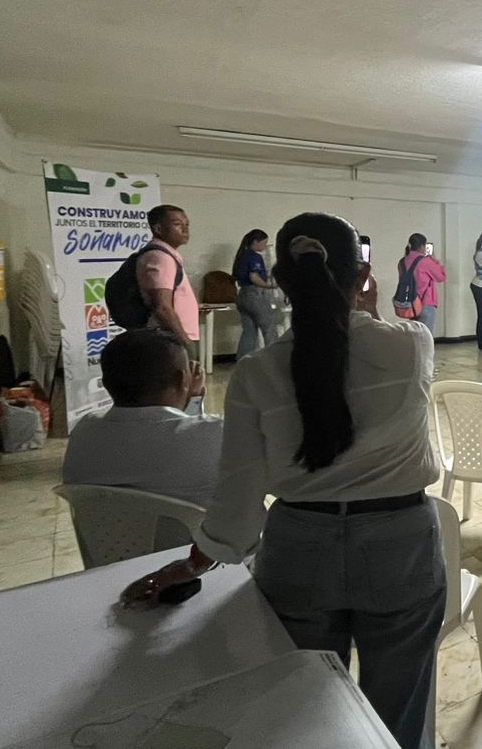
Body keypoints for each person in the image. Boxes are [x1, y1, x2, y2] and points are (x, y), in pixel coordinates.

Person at [120, 213, 444, 749]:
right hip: (400, 546)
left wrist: (195, 562)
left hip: (298, 550)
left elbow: (239, 493)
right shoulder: (412, 346)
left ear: (282, 284)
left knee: (305, 710)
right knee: (399, 708)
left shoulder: (254, 373)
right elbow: (365, 338)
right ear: (362, 278)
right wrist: (365, 306)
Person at [62, 328, 220, 506]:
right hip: (191, 526)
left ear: (105, 383)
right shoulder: (215, 434)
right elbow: (190, 433)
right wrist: (193, 400)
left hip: (103, 525)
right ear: (181, 379)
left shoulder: (84, 432)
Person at [138, 205, 199, 347]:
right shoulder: (161, 258)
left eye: (187, 224)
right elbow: (163, 308)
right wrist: (186, 342)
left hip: (170, 336)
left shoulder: (166, 255)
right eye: (177, 224)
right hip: (169, 338)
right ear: (158, 229)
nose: (185, 229)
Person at [233, 229, 278, 358]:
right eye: (264, 242)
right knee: (269, 328)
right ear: (255, 242)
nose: (265, 246)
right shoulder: (254, 257)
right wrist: (271, 286)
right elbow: (254, 277)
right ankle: (274, 359)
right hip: (255, 294)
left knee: (249, 331)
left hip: (242, 294)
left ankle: (243, 360)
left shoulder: (242, 256)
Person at [396, 233, 447, 333]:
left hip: (410, 304)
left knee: (415, 335)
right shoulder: (426, 262)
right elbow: (441, 277)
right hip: (425, 303)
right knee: (426, 336)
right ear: (422, 246)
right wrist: (435, 261)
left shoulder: (402, 262)